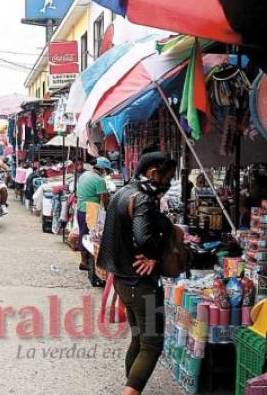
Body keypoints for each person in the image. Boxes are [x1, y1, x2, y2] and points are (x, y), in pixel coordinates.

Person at [97, 152, 177, 395]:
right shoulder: (142, 198)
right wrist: (153, 255)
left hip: (123, 280)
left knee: (139, 339)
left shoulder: (121, 192)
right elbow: (143, 237)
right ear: (153, 173)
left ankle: (131, 386)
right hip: (141, 283)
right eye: (168, 177)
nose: (169, 182)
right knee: (152, 343)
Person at [75, 157, 111, 271]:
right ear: (103, 169)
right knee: (93, 235)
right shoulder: (99, 180)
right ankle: (85, 261)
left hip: (80, 208)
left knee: (83, 233)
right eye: (106, 170)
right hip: (90, 210)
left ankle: (85, 260)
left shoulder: (84, 175)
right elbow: (104, 199)